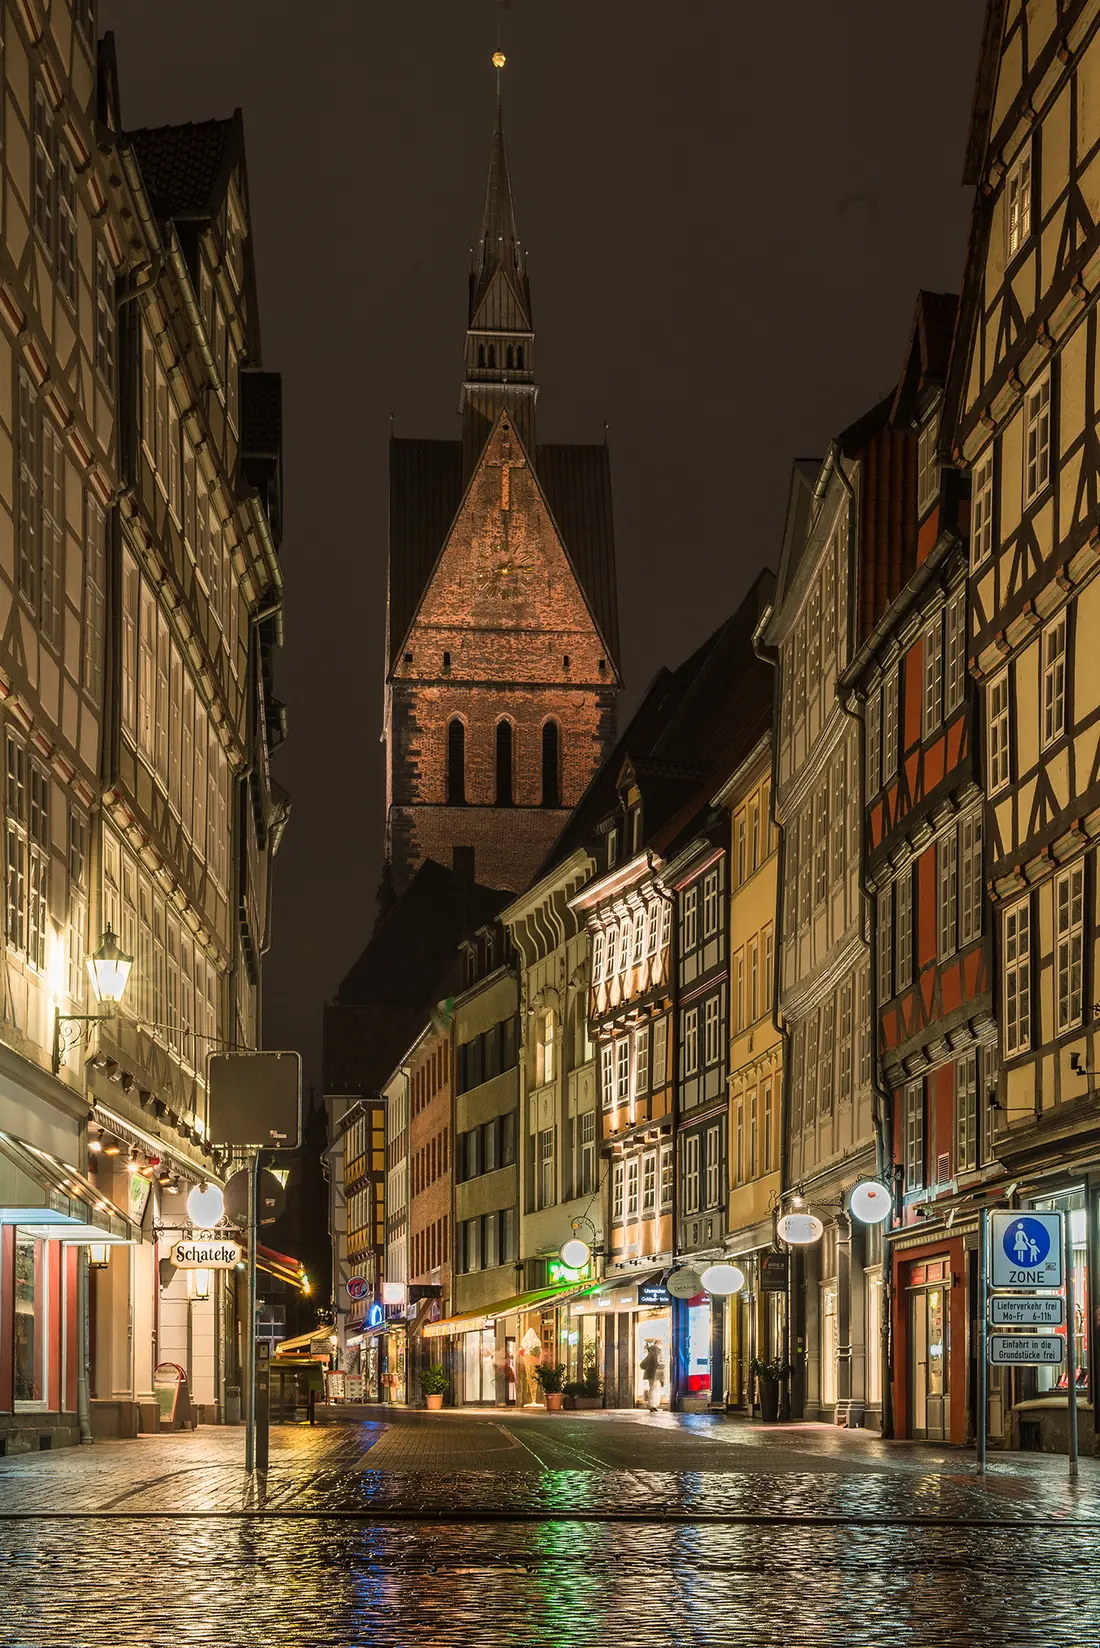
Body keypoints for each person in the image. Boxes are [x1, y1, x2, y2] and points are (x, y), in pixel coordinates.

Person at [639, 1339, 666, 1411]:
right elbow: (660, 1365)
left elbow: (643, 1364)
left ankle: (654, 1406)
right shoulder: (656, 1352)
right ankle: (653, 1405)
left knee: (654, 1389)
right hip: (655, 1374)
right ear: (658, 1344)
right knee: (654, 1390)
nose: (662, 1345)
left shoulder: (653, 1351)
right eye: (661, 1344)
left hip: (653, 1374)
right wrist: (662, 1378)